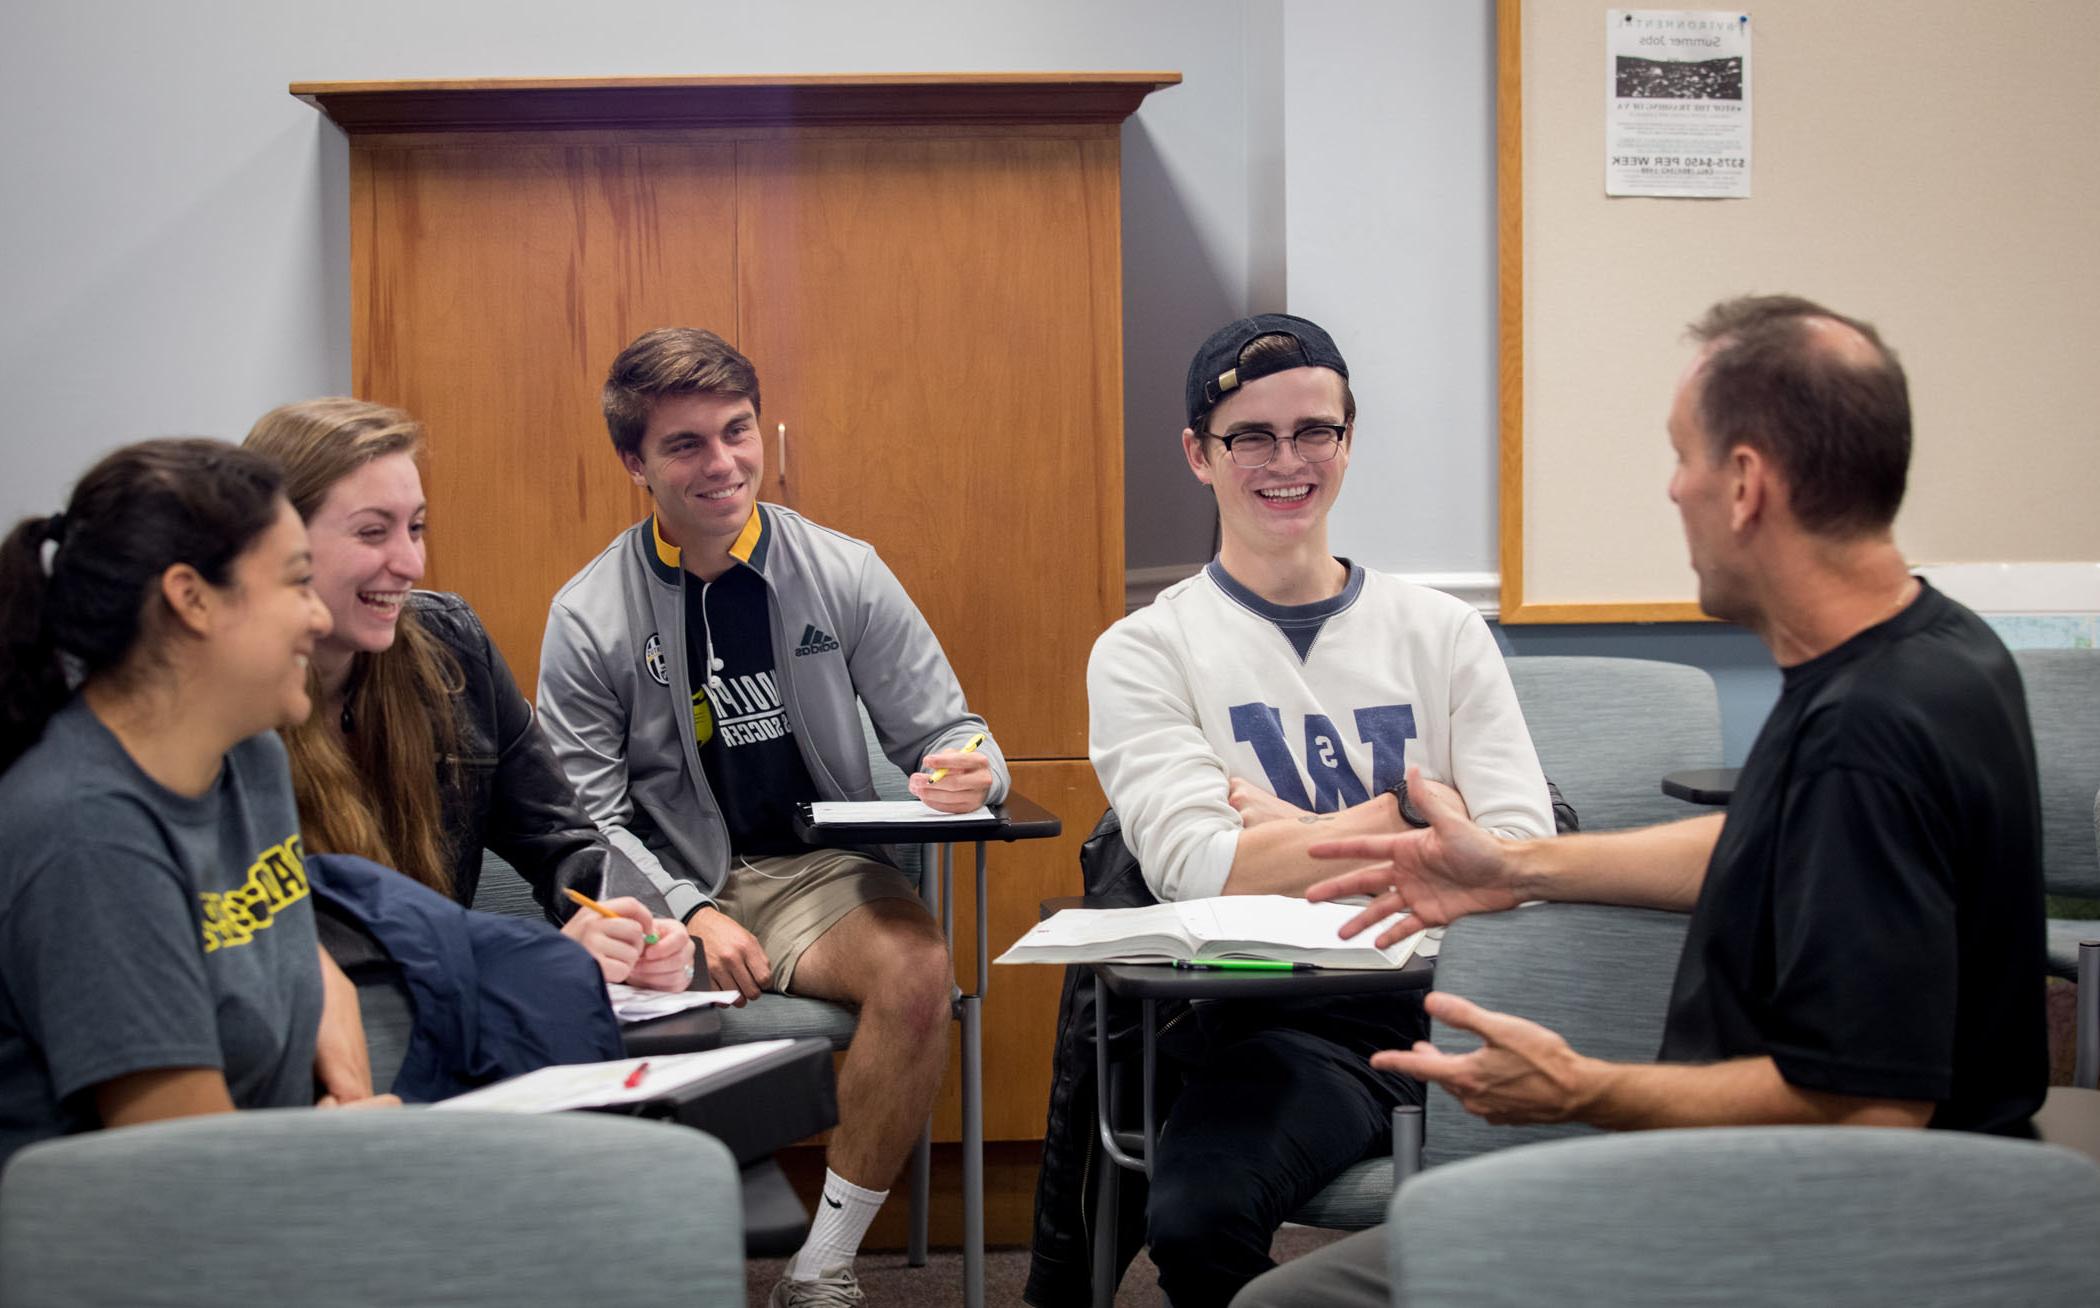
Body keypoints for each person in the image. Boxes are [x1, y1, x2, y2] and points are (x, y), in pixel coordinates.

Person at [1233, 294, 2048, 1307]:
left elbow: (1872, 1113)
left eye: (1683, 458)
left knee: (1291, 1301)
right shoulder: (1937, 646)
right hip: (1864, 1195)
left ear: (1746, 484)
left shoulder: (1866, 732)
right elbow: (1781, 846)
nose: (1673, 490)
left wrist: (1582, 1091)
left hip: (1823, 1228)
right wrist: (1518, 864)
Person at [1079, 314, 1553, 1306]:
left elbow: (1519, 852)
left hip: (1464, 1001)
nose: (1286, 461)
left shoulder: (1444, 632)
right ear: (1198, 456)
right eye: (1251, 436)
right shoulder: (1146, 650)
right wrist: (1419, 819)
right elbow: (1198, 866)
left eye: (1315, 432)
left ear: (1348, 441)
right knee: (1196, 1222)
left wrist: (1287, 828)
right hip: (1286, 1026)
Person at [536, 327, 1007, 1305]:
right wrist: (687, 910)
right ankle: (633, 1268)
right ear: (637, 464)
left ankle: (822, 1268)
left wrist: (974, 772)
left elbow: (949, 730)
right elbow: (585, 818)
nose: (722, 464)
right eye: (686, 445)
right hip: (662, 883)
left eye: (736, 432)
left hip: (814, 872)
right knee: (577, 1003)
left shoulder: (843, 572)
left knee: (919, 970)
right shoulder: (589, 616)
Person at [0, 438, 390, 1171]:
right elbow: (188, 1179)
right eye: (296, 582)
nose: (316, 616)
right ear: (191, 598)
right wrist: (348, 1157)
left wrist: (348, 1108)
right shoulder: (88, 837)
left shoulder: (250, 754)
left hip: (262, 1192)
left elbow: (289, 951)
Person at [244, 399, 693, 992]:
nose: (409, 563)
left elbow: (563, 840)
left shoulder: (453, 648)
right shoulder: (227, 700)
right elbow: (296, 941)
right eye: (372, 532)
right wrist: (531, 958)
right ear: (280, 543)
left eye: (416, 528)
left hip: (446, 1009)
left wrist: (638, 924)